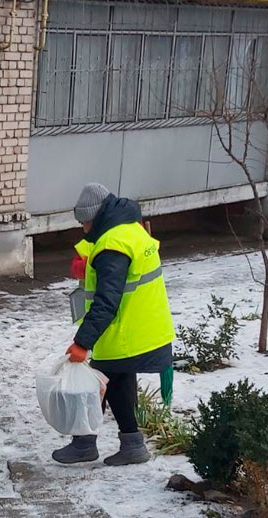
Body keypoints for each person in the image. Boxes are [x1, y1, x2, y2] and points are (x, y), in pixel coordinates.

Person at [53, 183, 176, 467]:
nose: (82, 228)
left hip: (125, 331)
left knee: (95, 383)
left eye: (83, 222)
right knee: (116, 382)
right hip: (143, 326)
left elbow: (107, 300)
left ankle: (86, 444)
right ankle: (129, 445)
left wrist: (83, 342)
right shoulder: (129, 229)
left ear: (92, 218)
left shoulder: (112, 246)